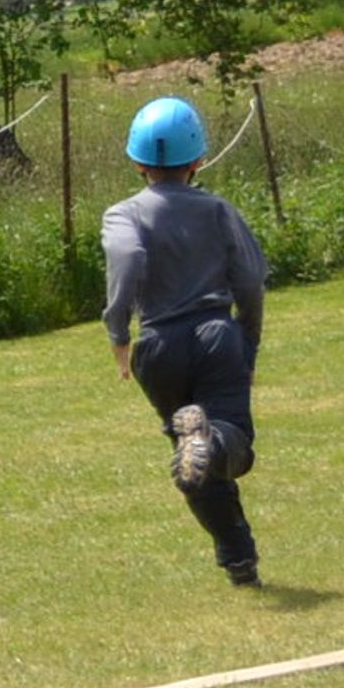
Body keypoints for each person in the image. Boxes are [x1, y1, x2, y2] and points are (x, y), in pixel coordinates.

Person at [104, 97, 269, 586]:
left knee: (190, 462)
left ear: (136, 161)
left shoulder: (122, 214)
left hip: (157, 346)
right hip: (217, 336)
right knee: (232, 443)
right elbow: (250, 281)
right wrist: (249, 344)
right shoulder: (218, 210)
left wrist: (118, 331)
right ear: (199, 159)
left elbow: (128, 259)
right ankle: (210, 440)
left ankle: (238, 560)